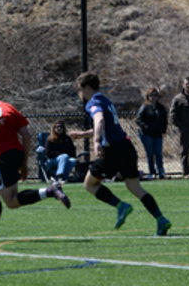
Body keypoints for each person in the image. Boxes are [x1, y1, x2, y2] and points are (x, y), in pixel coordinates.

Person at [0, 74, 71, 243]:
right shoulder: (6, 106)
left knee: (11, 201)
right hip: (15, 152)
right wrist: (24, 162)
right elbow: (26, 134)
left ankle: (50, 191)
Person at [71, 71, 171, 236]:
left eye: (80, 90)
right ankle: (161, 219)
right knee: (134, 187)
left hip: (113, 150)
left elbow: (99, 120)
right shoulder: (105, 100)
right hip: (126, 146)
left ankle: (121, 206)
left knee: (89, 184)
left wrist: (96, 142)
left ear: (86, 87)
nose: (80, 94)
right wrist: (83, 135)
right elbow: (106, 126)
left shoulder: (93, 102)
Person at [136, 88, 168, 179]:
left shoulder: (161, 107)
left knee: (158, 153)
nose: (153, 97)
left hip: (158, 134)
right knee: (150, 154)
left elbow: (164, 119)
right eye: (151, 95)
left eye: (155, 95)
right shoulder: (144, 107)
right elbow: (138, 119)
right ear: (148, 96)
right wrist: (145, 127)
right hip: (147, 134)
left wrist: (163, 129)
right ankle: (152, 172)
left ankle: (161, 172)